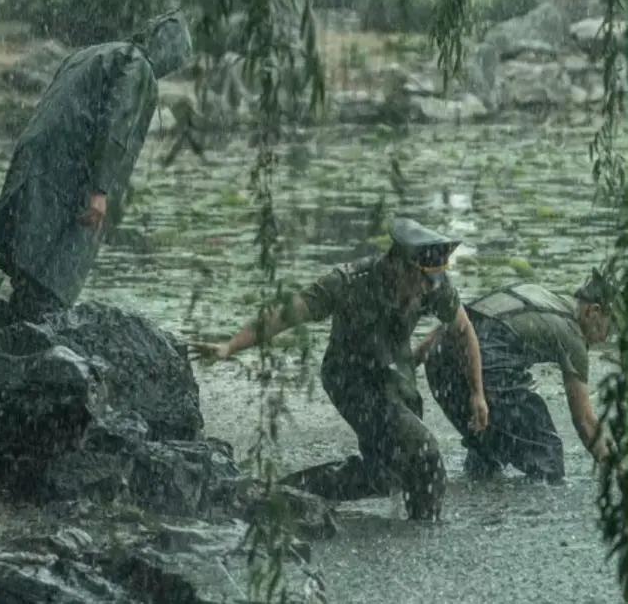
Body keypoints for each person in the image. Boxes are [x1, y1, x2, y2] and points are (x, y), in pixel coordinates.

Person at [192, 217, 489, 521]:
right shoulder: (348, 282)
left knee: (388, 473)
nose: (427, 290)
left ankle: (286, 494)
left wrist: (477, 393)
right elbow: (284, 315)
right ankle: (425, 530)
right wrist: (230, 346)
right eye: (421, 281)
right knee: (424, 452)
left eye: (433, 282)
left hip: (393, 375)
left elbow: (463, 330)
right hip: (349, 378)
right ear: (398, 265)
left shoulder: (432, 284)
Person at [0, 11, 193, 320]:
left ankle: (22, 322)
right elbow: (115, 128)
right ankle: (36, 332)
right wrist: (100, 190)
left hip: (35, 161)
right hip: (66, 175)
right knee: (51, 281)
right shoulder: (138, 68)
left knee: (29, 265)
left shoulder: (95, 53)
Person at [416, 270, 615, 482]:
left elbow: (459, 320)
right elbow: (585, 422)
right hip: (487, 367)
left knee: (489, 447)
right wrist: (616, 470)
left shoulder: (533, 292)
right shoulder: (572, 336)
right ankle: (533, 511)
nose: (604, 339)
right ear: (593, 312)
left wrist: (410, 363)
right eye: (609, 329)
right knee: (547, 455)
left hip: (440, 362)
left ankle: (478, 498)